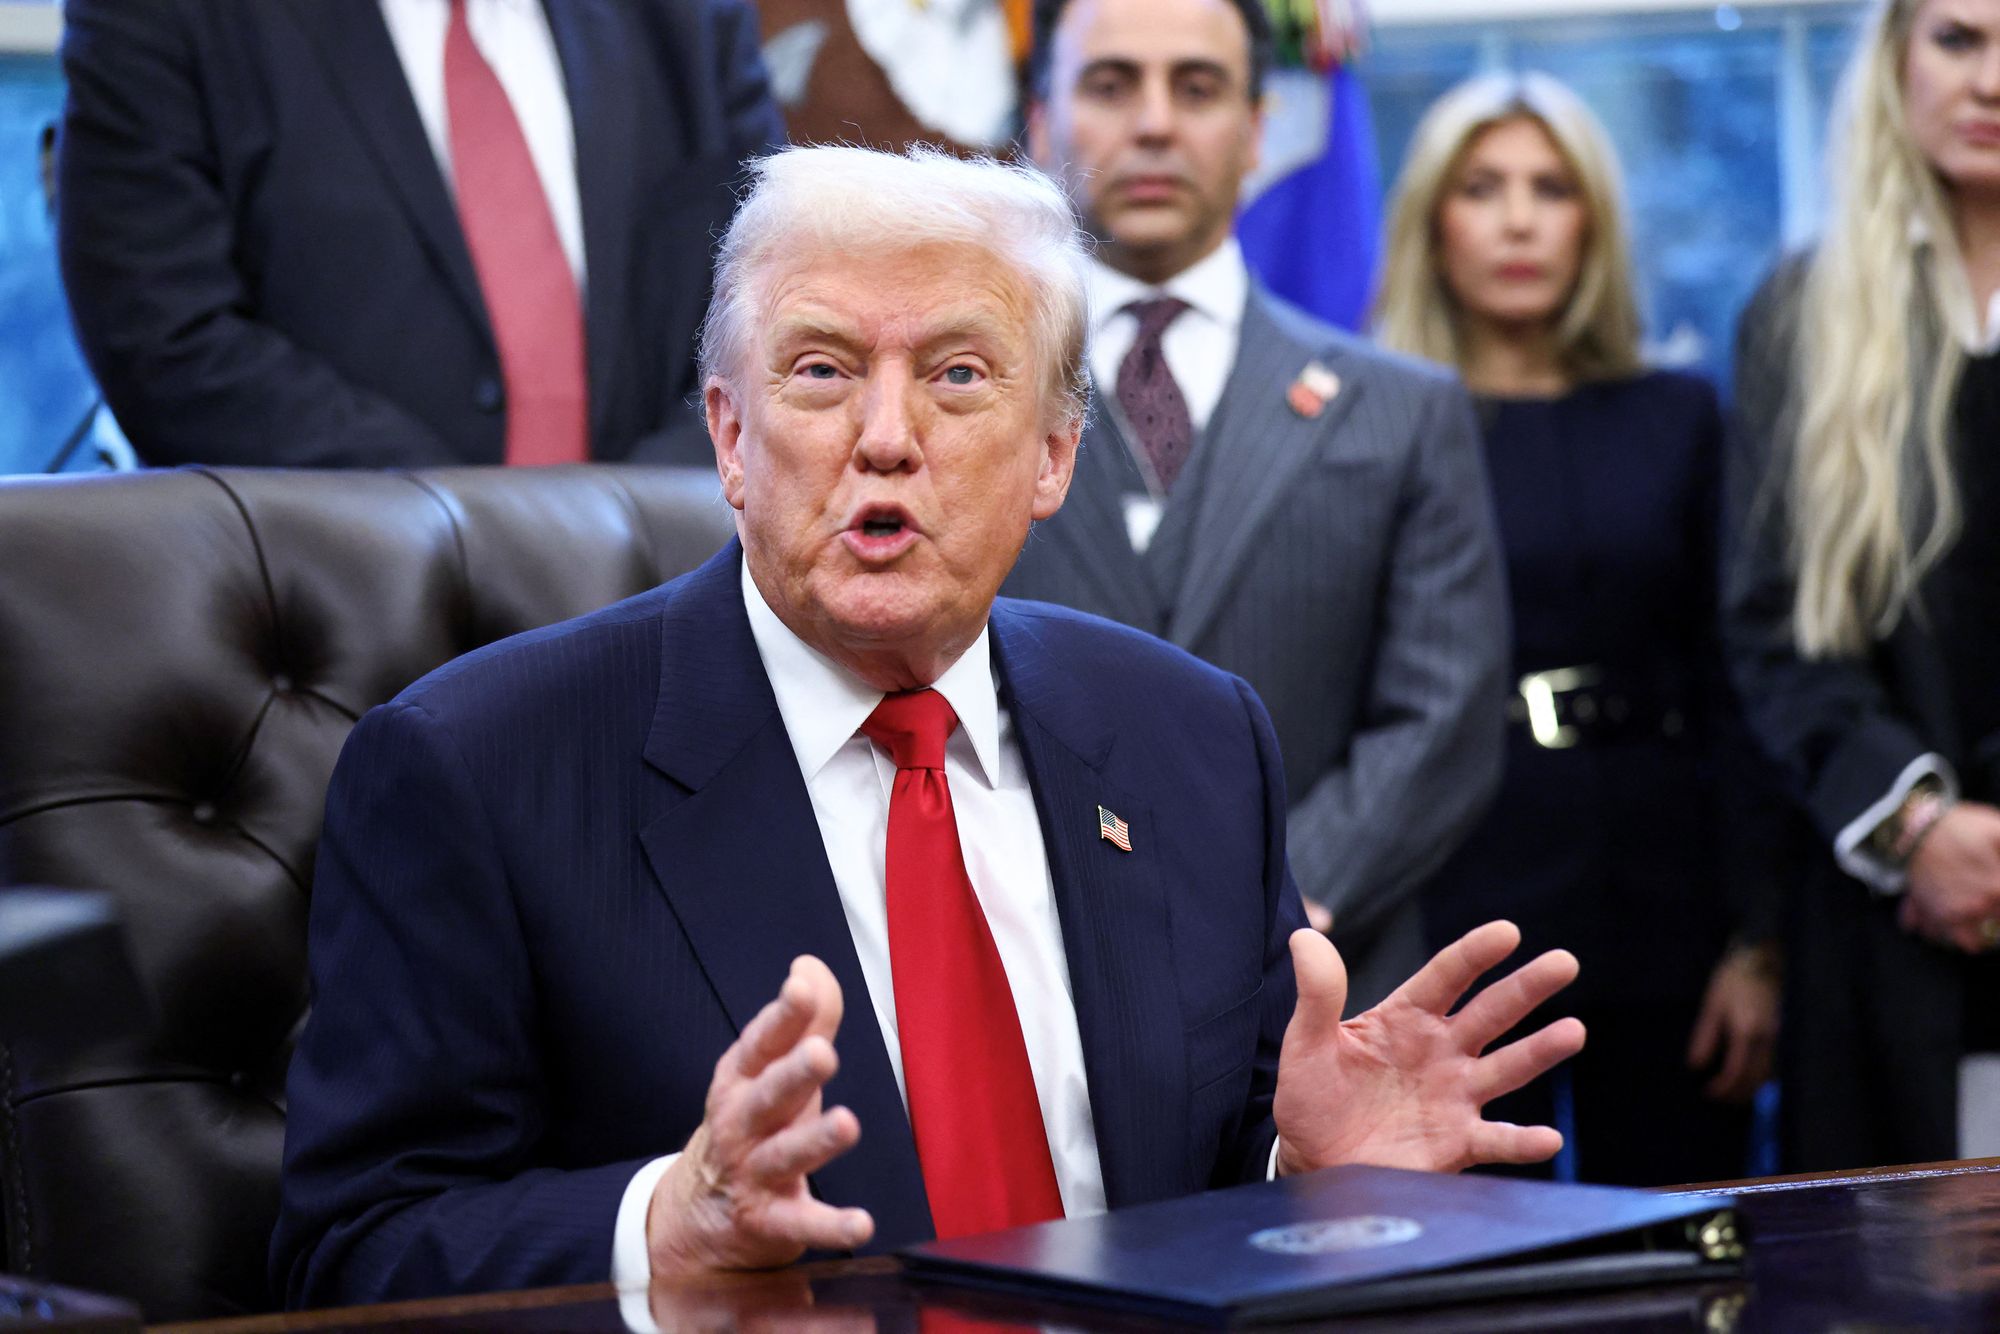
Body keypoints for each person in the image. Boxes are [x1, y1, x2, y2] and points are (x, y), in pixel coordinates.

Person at [271, 144, 1586, 1309]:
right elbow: (353, 1248)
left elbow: (1206, 1175)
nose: (885, 437)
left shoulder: (1190, 738)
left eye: (958, 374)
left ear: (1056, 454)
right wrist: (661, 1229)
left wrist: (1304, 1173)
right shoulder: (476, 768)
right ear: (730, 438)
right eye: (822, 370)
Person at [1004, 0, 1508, 1012]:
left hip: (1331, 992)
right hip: (1026, 984)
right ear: (1041, 125)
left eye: (1194, 87)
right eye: (1110, 85)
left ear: (1255, 130)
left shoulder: (1401, 412)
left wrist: (1275, 902)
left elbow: (1439, 714)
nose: (1153, 123)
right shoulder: (955, 410)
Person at [1372, 73, 1782, 1187]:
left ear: (1591, 221)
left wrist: (1757, 941)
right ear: (1431, 222)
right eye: (1482, 187)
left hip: (1668, 893)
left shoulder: (1676, 414)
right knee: (1473, 1261)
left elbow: (1733, 682)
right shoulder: (1379, 422)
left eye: (1549, 188)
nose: (1515, 219)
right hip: (1461, 895)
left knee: (1680, 1241)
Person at [56, 0, 782, 469]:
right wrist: (462, 535)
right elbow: (165, 338)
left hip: (653, 611)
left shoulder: (693, 18)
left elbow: (770, 317)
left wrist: (619, 539)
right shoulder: (165, 17)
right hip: (316, 621)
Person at [1728, 0, 2000, 1170]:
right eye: (1957, 39)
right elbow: (1771, 623)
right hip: (1889, 915)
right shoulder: (1804, 314)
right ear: (1892, 57)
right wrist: (1917, 825)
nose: (1990, 80)